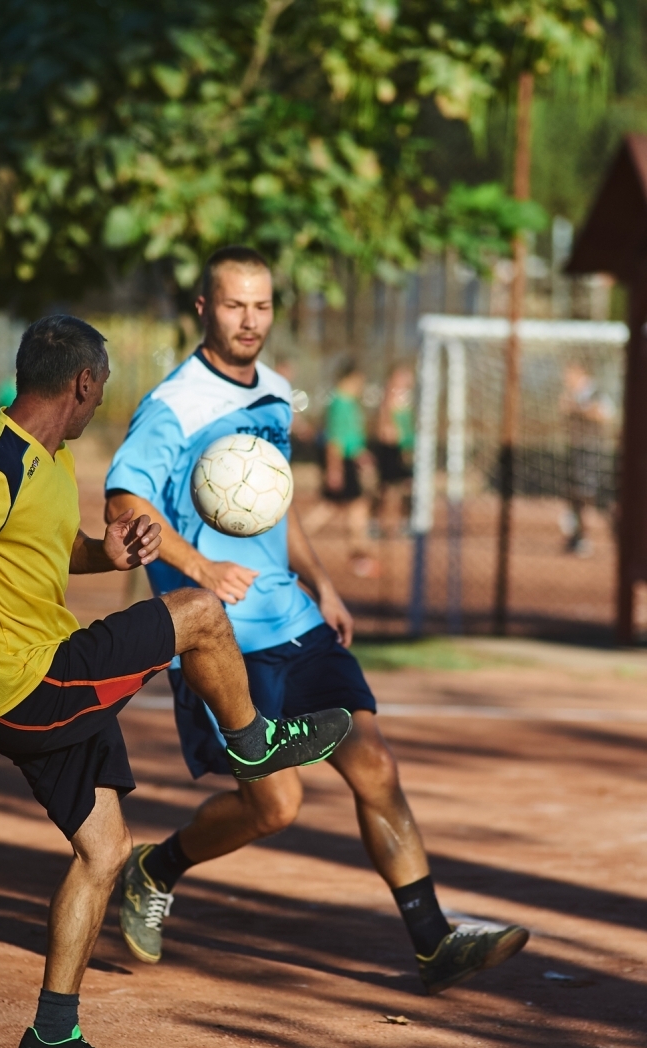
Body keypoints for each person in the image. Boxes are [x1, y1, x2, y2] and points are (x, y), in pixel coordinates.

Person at [0, 315, 351, 1048]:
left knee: (104, 851)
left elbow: (43, 548)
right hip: (31, 681)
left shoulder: (47, 458)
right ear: (83, 382)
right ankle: (252, 741)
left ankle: (52, 1034)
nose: (100, 402)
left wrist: (109, 552)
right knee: (200, 612)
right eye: (100, 390)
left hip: (38, 679)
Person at [105, 246, 529, 996]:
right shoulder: (174, 405)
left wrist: (323, 583)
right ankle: (155, 867)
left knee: (376, 763)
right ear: (204, 308)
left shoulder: (274, 391)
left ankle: (432, 941)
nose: (249, 320)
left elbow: (274, 502)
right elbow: (124, 503)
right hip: (222, 639)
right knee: (275, 805)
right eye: (234, 304)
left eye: (262, 305)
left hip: (294, 617)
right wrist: (200, 568)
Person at [303, 358, 379, 577]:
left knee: (353, 506)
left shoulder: (350, 403)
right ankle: (294, 538)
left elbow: (351, 436)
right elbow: (334, 441)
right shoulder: (339, 404)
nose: (361, 385)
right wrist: (334, 469)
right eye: (359, 381)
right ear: (349, 379)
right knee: (341, 506)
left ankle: (359, 555)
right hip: (340, 461)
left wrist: (361, 454)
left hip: (349, 460)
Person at [559, 362, 615, 556]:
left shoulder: (596, 393)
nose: (566, 379)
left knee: (588, 494)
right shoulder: (570, 394)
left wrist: (578, 408)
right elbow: (563, 410)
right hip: (576, 449)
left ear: (581, 373)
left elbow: (605, 415)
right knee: (574, 493)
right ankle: (577, 536)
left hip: (592, 451)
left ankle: (589, 536)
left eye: (570, 374)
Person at [370, 362, 415, 538]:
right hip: (392, 449)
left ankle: (394, 523)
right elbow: (385, 427)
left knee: (401, 488)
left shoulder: (406, 397)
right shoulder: (390, 395)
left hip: (403, 448)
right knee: (390, 489)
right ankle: (386, 524)